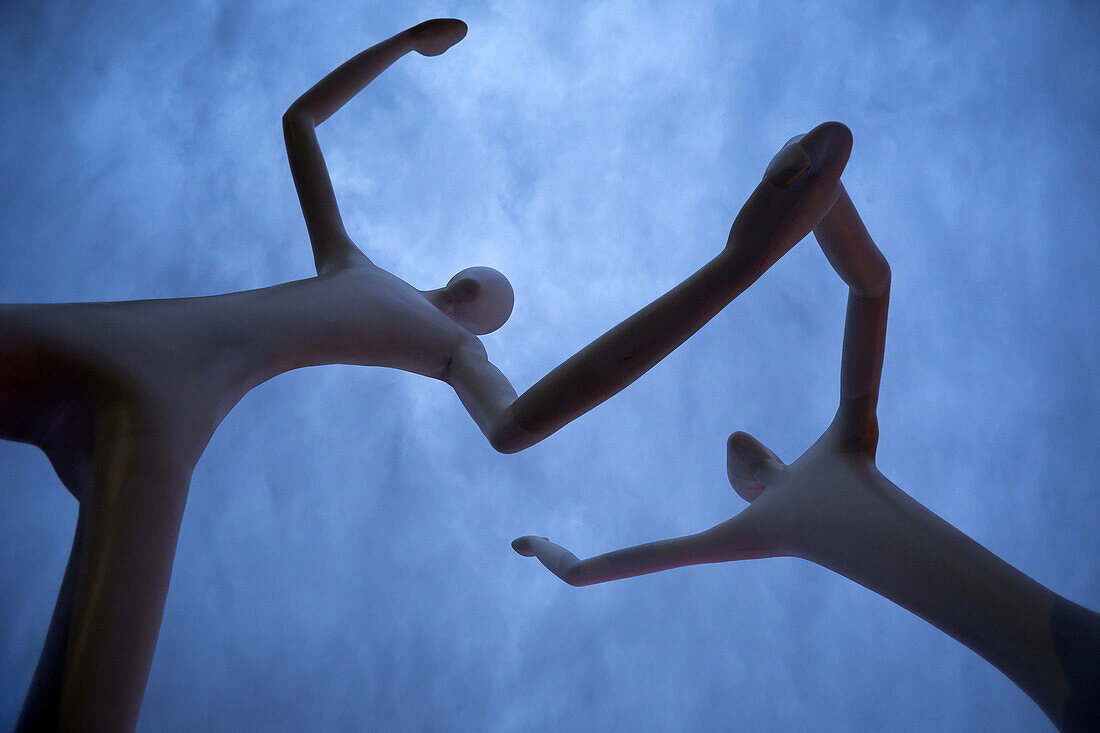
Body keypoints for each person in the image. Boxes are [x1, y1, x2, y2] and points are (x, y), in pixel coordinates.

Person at [1, 18, 854, 732]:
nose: (484, 300)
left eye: (495, 307)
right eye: (486, 289)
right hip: (134, 347)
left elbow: (519, 424)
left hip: (162, 432)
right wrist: (404, 43)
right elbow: (300, 125)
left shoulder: (457, 356)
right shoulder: (354, 265)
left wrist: (736, 264)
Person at [512, 185, 1100, 732]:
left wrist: (817, 189)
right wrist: (545, 550)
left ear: (773, 455)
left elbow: (870, 286)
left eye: (747, 456)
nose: (741, 455)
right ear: (750, 492)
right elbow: (589, 572)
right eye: (738, 472)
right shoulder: (760, 522)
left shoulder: (844, 440)